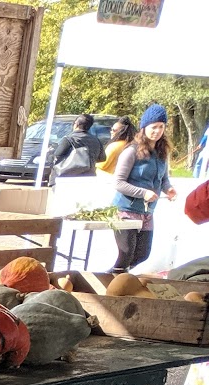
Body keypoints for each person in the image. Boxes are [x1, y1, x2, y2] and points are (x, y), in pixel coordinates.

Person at [112, 104, 177, 272]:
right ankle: (112, 282)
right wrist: (143, 193)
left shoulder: (162, 152)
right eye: (153, 127)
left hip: (148, 212)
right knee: (126, 253)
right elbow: (118, 182)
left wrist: (168, 189)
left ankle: (125, 280)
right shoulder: (131, 151)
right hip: (126, 210)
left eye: (161, 127)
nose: (157, 131)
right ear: (144, 127)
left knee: (143, 255)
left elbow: (163, 179)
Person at [48, 114, 104, 181]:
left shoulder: (69, 139)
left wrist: (48, 154)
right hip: (89, 177)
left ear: (76, 124)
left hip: (68, 178)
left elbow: (56, 158)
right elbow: (102, 158)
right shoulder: (96, 140)